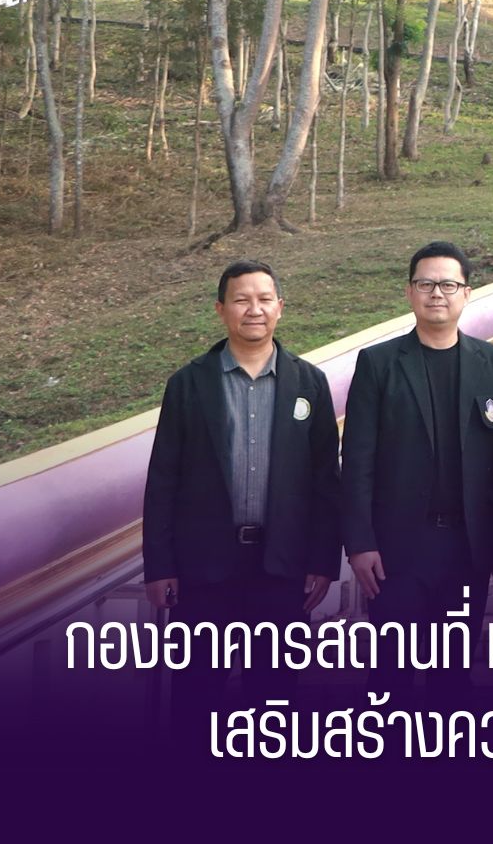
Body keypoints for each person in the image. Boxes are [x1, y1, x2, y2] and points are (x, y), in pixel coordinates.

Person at [142, 260, 340, 726]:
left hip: (281, 568)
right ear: (221, 309)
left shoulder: (308, 381)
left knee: (273, 700)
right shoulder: (189, 384)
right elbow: (164, 478)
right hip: (203, 570)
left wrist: (322, 561)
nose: (254, 309)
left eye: (264, 299)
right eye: (241, 299)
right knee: (195, 696)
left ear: (280, 308)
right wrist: (160, 566)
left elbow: (324, 480)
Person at [342, 242, 493, 695]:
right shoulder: (378, 364)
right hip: (397, 551)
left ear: (467, 293)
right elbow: (358, 459)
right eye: (426, 284)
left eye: (448, 284)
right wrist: (359, 543)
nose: (436, 293)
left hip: (469, 548)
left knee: (454, 676)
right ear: (409, 292)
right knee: (391, 673)